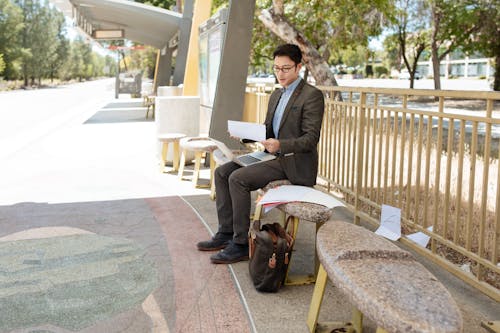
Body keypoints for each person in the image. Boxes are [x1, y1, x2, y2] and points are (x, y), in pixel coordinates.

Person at [197, 43, 325, 264]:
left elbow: (310, 139)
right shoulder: (276, 95)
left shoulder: (311, 96)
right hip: (272, 155)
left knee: (237, 179)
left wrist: (280, 145)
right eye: (276, 68)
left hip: (293, 162)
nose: (280, 74)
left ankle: (240, 244)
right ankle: (226, 233)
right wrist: (246, 135)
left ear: (298, 67)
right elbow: (268, 128)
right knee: (222, 173)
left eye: (285, 68)